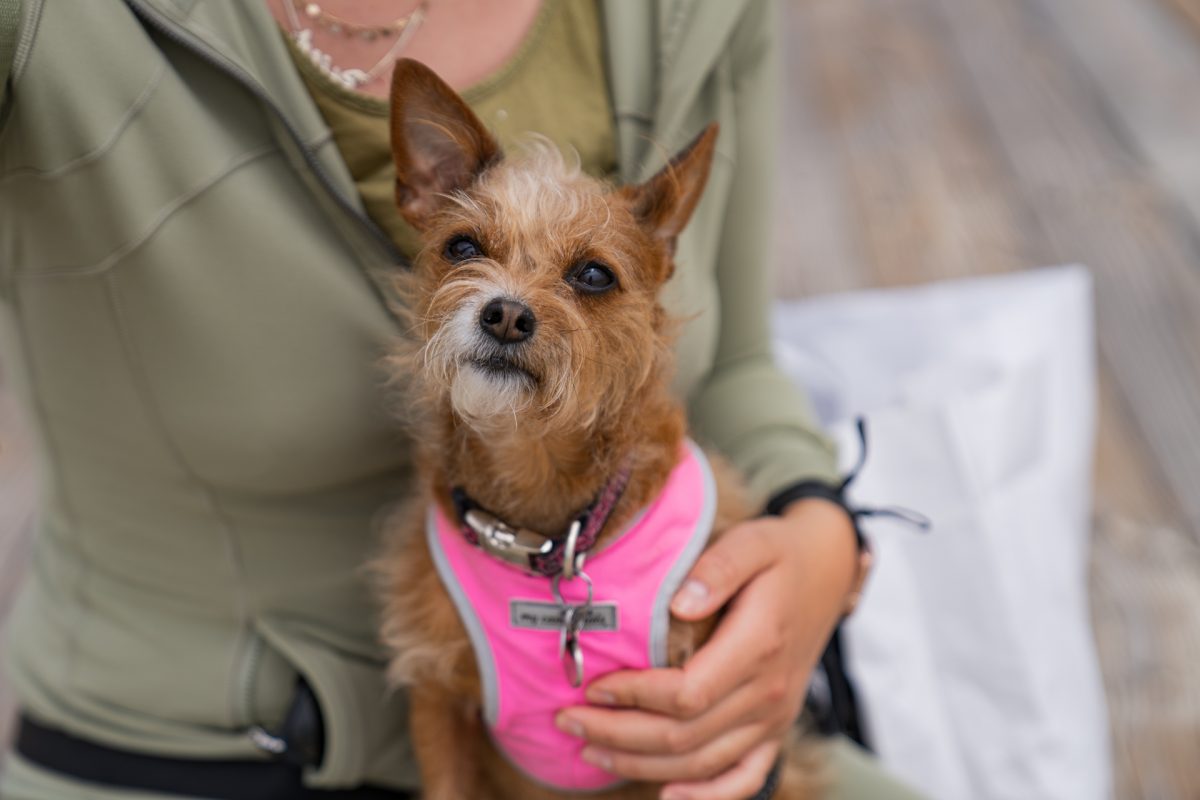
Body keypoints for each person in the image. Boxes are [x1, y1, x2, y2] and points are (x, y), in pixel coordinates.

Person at [0, 1, 921, 798]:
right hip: (203, 742)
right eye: (471, 252)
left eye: (590, 276)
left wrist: (822, 537)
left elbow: (738, 364)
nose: (512, 309)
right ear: (425, 194)